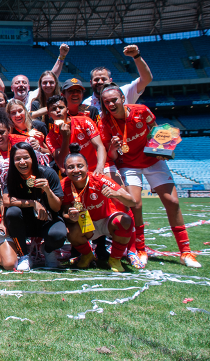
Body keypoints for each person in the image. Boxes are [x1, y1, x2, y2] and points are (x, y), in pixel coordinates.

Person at [97, 86, 200, 268]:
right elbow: (111, 156)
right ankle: (141, 249)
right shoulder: (104, 122)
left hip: (152, 161)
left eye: (114, 100)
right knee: (135, 204)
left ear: (122, 98)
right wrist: (113, 147)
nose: (111, 104)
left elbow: (156, 130)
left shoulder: (142, 111)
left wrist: (163, 148)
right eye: (107, 102)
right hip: (128, 165)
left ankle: (185, 252)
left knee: (172, 202)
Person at [62, 147, 138, 272]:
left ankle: (115, 259)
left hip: (107, 218)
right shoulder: (64, 184)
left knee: (125, 220)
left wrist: (116, 194)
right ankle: (87, 255)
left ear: (87, 167)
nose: (76, 170)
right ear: (65, 170)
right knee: (70, 229)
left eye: (80, 166)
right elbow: (64, 212)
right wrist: (70, 216)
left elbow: (132, 201)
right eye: (71, 167)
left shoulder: (99, 179)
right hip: (85, 220)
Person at [2, 143, 66, 271]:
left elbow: (57, 207)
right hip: (24, 223)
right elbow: (6, 200)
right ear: (13, 161)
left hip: (47, 219)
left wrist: (47, 190)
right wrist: (33, 203)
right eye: (17, 159)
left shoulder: (48, 173)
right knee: (12, 213)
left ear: (33, 158)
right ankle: (23, 256)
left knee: (59, 235)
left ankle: (47, 250)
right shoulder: (12, 175)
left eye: (26, 157)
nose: (22, 162)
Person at [45, 95, 106, 175]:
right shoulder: (50, 137)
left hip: (97, 168)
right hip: (74, 174)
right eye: (53, 109)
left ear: (67, 110)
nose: (58, 111)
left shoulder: (85, 122)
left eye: (61, 107)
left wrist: (99, 168)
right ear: (49, 114)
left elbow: (100, 146)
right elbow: (62, 165)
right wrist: (66, 138)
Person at [83, 45, 153, 111]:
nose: (100, 82)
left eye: (104, 79)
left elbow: (146, 79)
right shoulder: (86, 104)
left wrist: (136, 56)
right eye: (96, 79)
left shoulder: (123, 92)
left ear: (110, 81)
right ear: (90, 83)